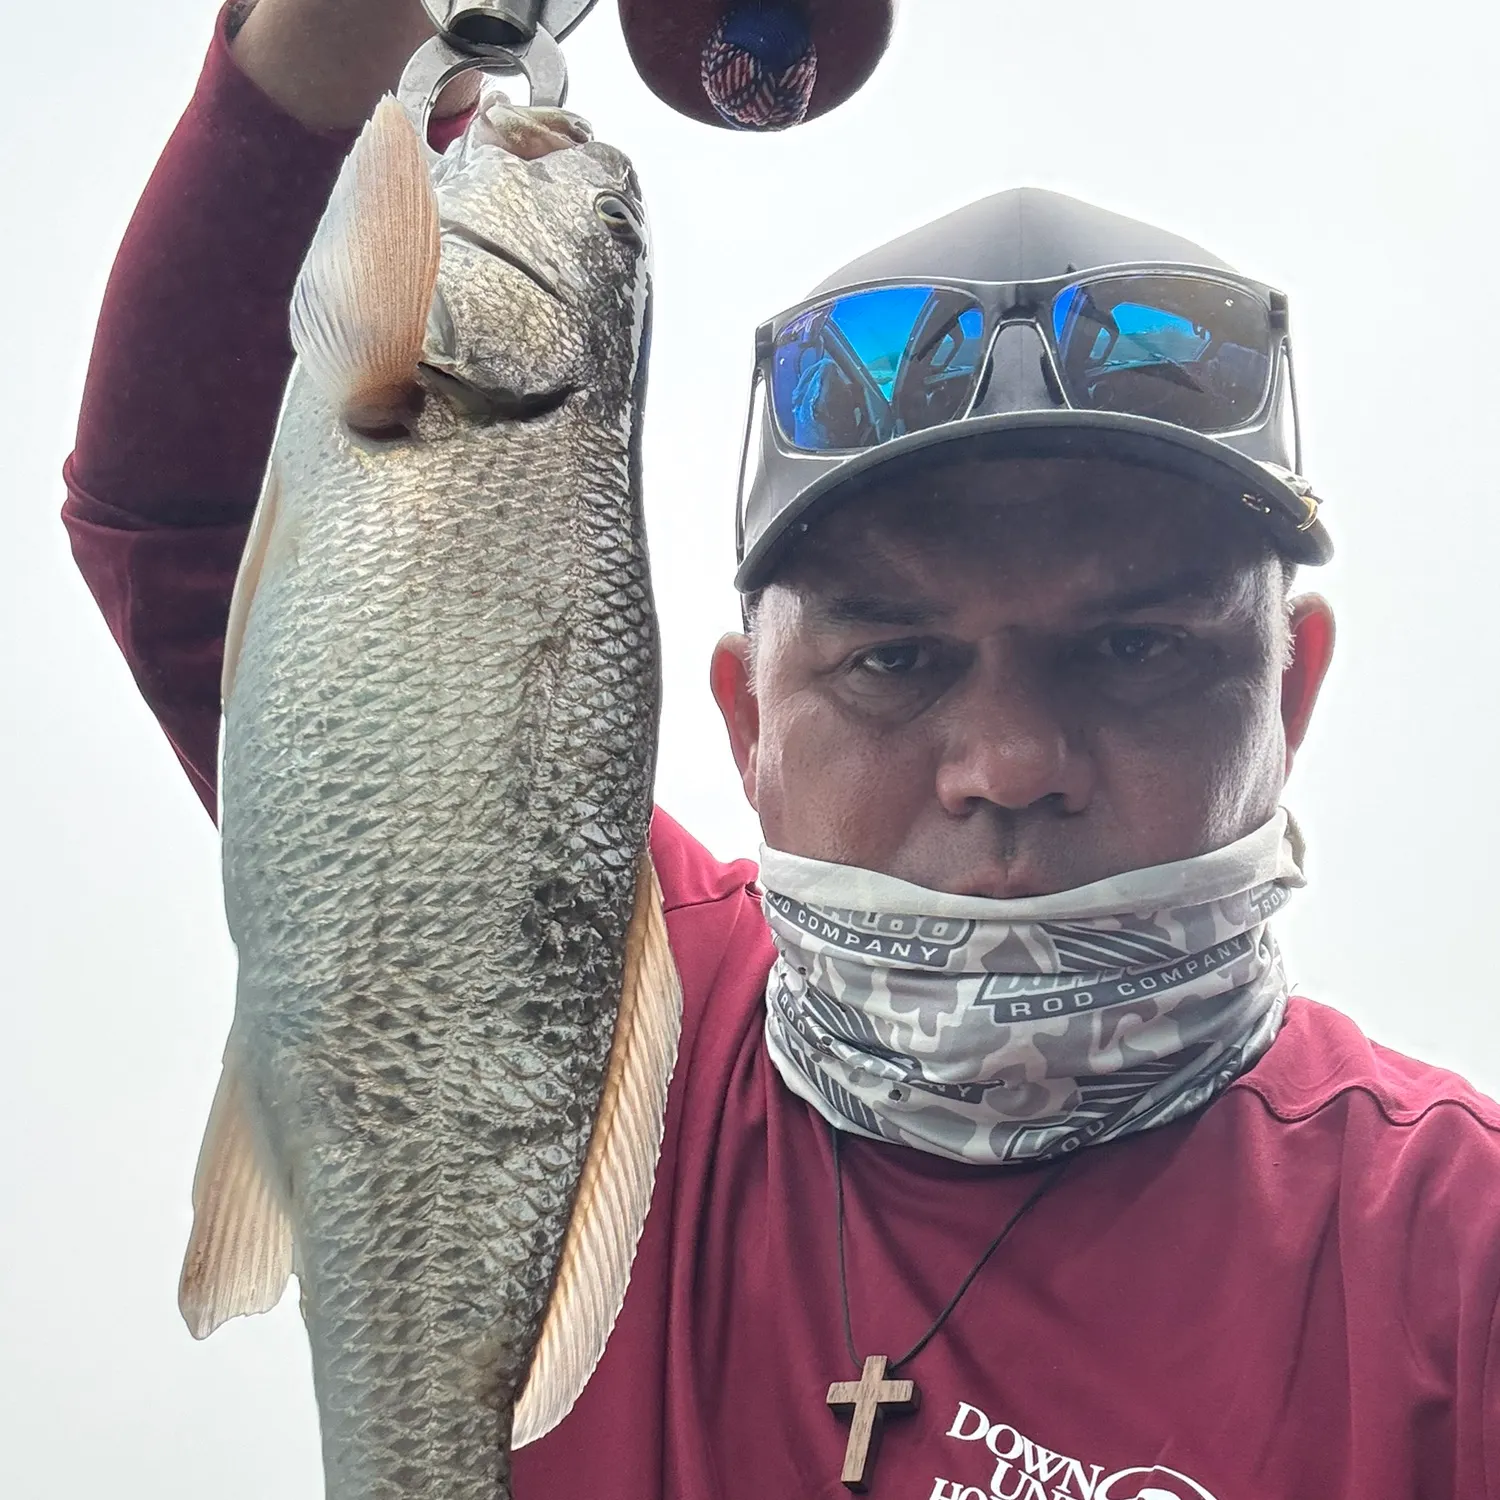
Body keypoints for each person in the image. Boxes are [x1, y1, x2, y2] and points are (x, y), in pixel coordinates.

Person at [64, 4, 1500, 1498]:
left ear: (1290, 694)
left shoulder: (1456, 1265)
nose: (1009, 764)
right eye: (895, 661)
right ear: (745, 720)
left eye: (1136, 650)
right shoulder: (564, 966)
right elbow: (192, 511)